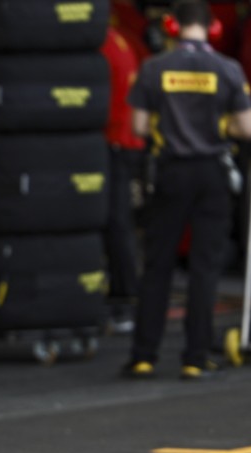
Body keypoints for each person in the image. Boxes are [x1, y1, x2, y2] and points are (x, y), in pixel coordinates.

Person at [123, 0, 251, 380]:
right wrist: (221, 129)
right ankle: (195, 357)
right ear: (212, 26)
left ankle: (143, 355)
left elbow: (137, 126)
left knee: (157, 264)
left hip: (171, 172)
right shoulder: (228, 69)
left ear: (173, 25)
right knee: (204, 267)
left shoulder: (154, 68)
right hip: (212, 173)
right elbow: (248, 129)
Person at [101, 24, 146, 334]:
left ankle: (124, 299)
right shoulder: (119, 38)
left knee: (115, 221)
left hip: (115, 141)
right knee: (119, 221)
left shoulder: (100, 46)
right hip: (126, 141)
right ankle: (123, 295)